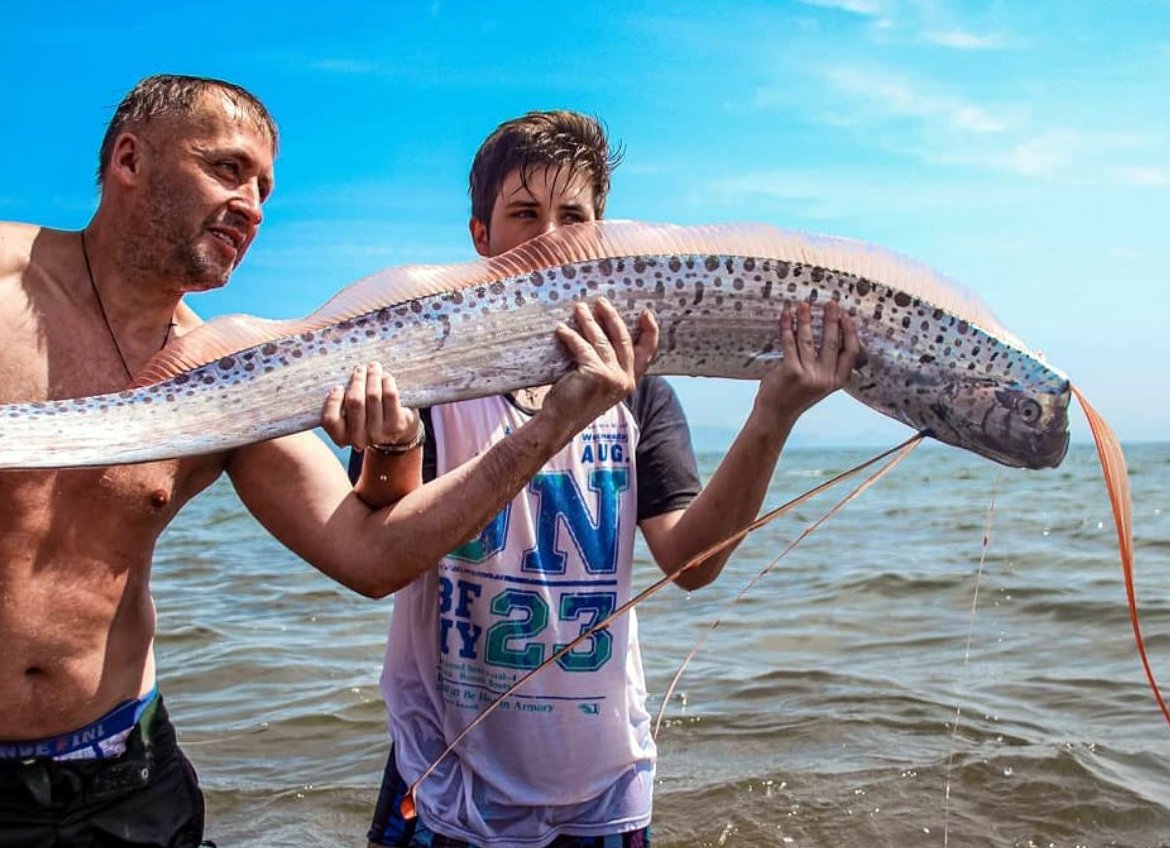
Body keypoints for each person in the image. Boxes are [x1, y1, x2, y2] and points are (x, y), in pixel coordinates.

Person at [0, 78, 654, 848]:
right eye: (227, 169)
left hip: (123, 766)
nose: (253, 205)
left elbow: (370, 556)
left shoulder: (230, 376)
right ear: (130, 158)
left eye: (265, 187)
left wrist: (499, 433)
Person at [353, 111, 861, 848]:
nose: (551, 238)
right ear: (481, 237)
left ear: (602, 236)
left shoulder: (641, 393)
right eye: (525, 214)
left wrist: (772, 414)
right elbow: (381, 544)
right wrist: (389, 440)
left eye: (575, 217)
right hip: (441, 783)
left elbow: (691, 563)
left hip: (604, 790)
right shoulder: (430, 383)